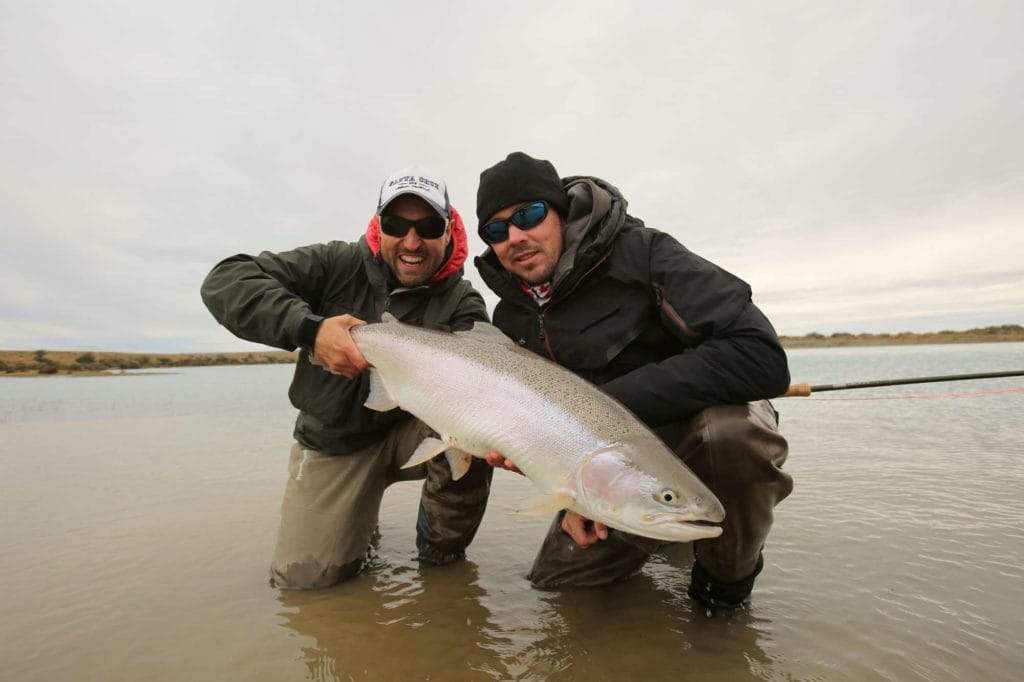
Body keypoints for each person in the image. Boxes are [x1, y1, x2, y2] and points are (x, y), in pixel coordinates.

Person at [473, 152, 793, 610]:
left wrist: (603, 406)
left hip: (699, 433)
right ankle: (665, 536)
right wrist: (566, 492)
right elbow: (551, 435)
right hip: (613, 469)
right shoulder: (511, 316)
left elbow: (760, 356)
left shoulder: (644, 253)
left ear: (560, 210)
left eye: (529, 215)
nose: (516, 237)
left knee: (732, 437)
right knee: (559, 594)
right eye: (497, 230)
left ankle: (723, 593)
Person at [201, 166, 493, 589]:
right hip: (333, 444)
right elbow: (225, 280)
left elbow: (484, 386)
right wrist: (310, 329)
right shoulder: (335, 263)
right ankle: (353, 523)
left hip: (411, 432)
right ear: (378, 225)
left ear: (448, 231)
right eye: (397, 225)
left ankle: (441, 564)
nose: (412, 242)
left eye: (428, 227)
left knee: (476, 432)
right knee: (304, 584)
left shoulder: (462, 300)